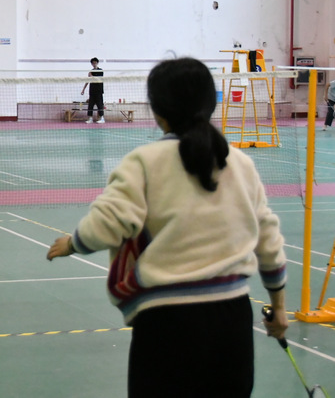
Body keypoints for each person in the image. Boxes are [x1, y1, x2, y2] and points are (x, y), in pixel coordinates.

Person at [47, 57, 288, 397]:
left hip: (165, 324)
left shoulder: (143, 162)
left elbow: (105, 225)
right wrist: (279, 308)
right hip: (231, 323)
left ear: (157, 111)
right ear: (211, 104)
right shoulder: (241, 164)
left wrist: (73, 244)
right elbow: (269, 242)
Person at [81, 57, 104, 123]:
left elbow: (97, 79)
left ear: (97, 63)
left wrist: (91, 76)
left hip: (99, 91)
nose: (94, 64)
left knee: (100, 105)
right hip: (92, 91)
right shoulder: (91, 71)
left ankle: (102, 118)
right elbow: (87, 81)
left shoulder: (100, 71)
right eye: (93, 63)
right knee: (90, 105)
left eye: (95, 63)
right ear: (91, 64)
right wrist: (83, 89)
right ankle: (90, 118)